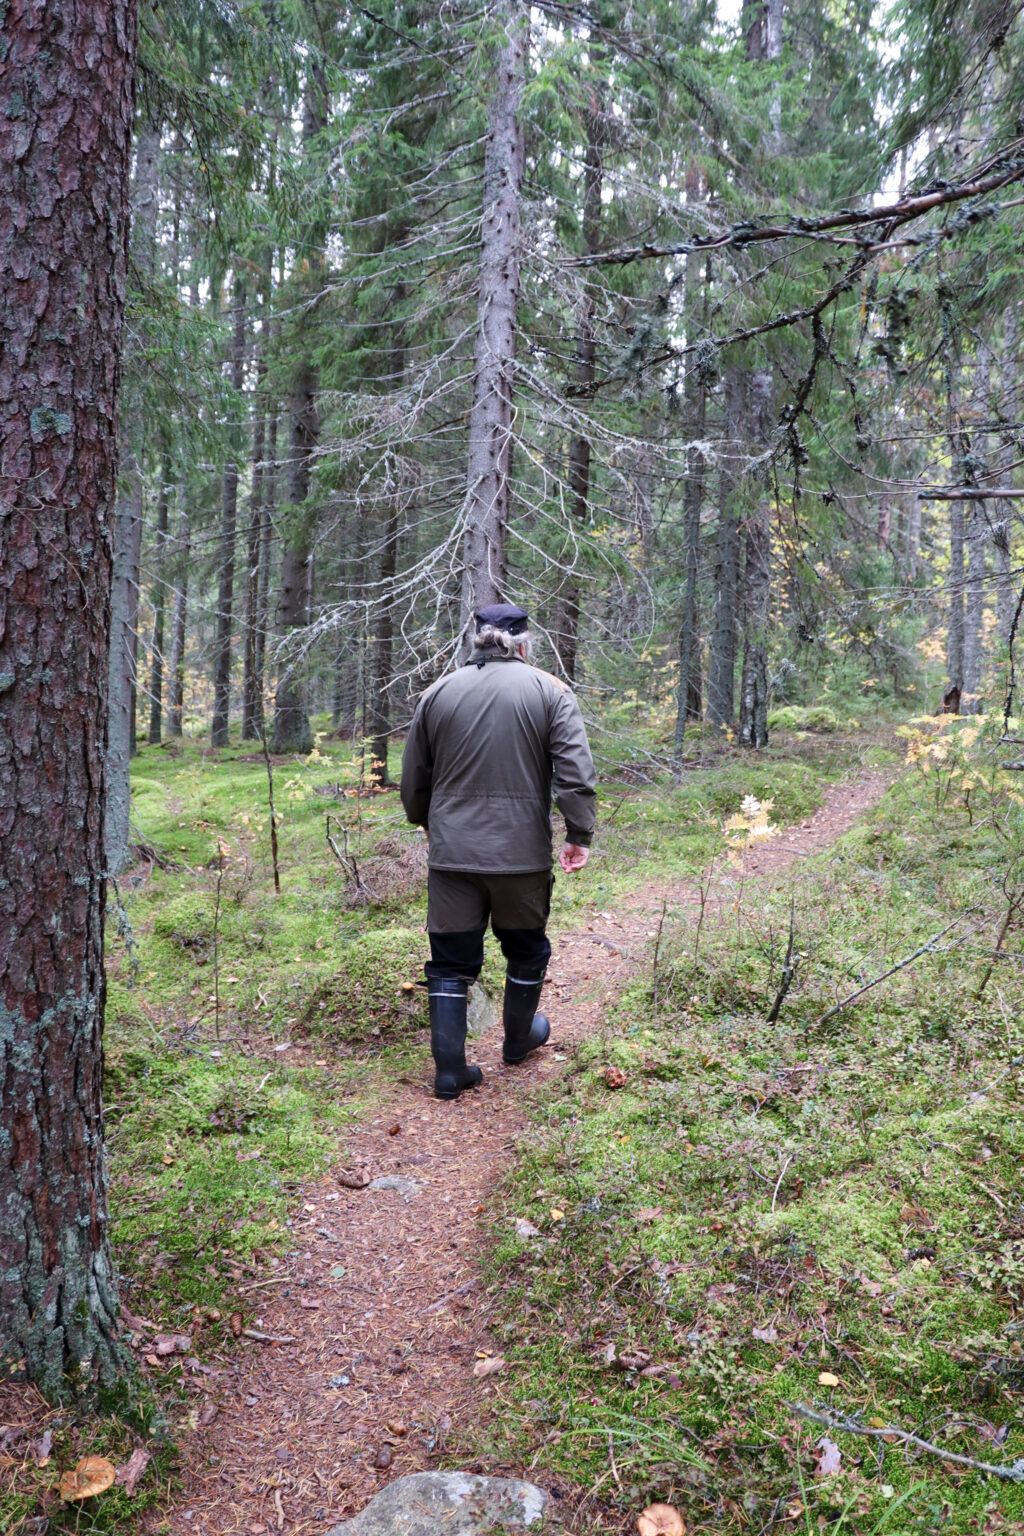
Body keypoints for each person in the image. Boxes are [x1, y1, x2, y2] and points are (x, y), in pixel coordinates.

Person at [400, 603, 597, 1099]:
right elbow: (574, 772)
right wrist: (579, 834)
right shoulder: (550, 691)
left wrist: (426, 822)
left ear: (474, 640)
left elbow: (414, 778)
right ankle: (517, 1040)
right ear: (525, 643)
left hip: (452, 854)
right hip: (521, 856)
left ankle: (450, 1071)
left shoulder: (437, 693)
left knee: (448, 962)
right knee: (525, 948)